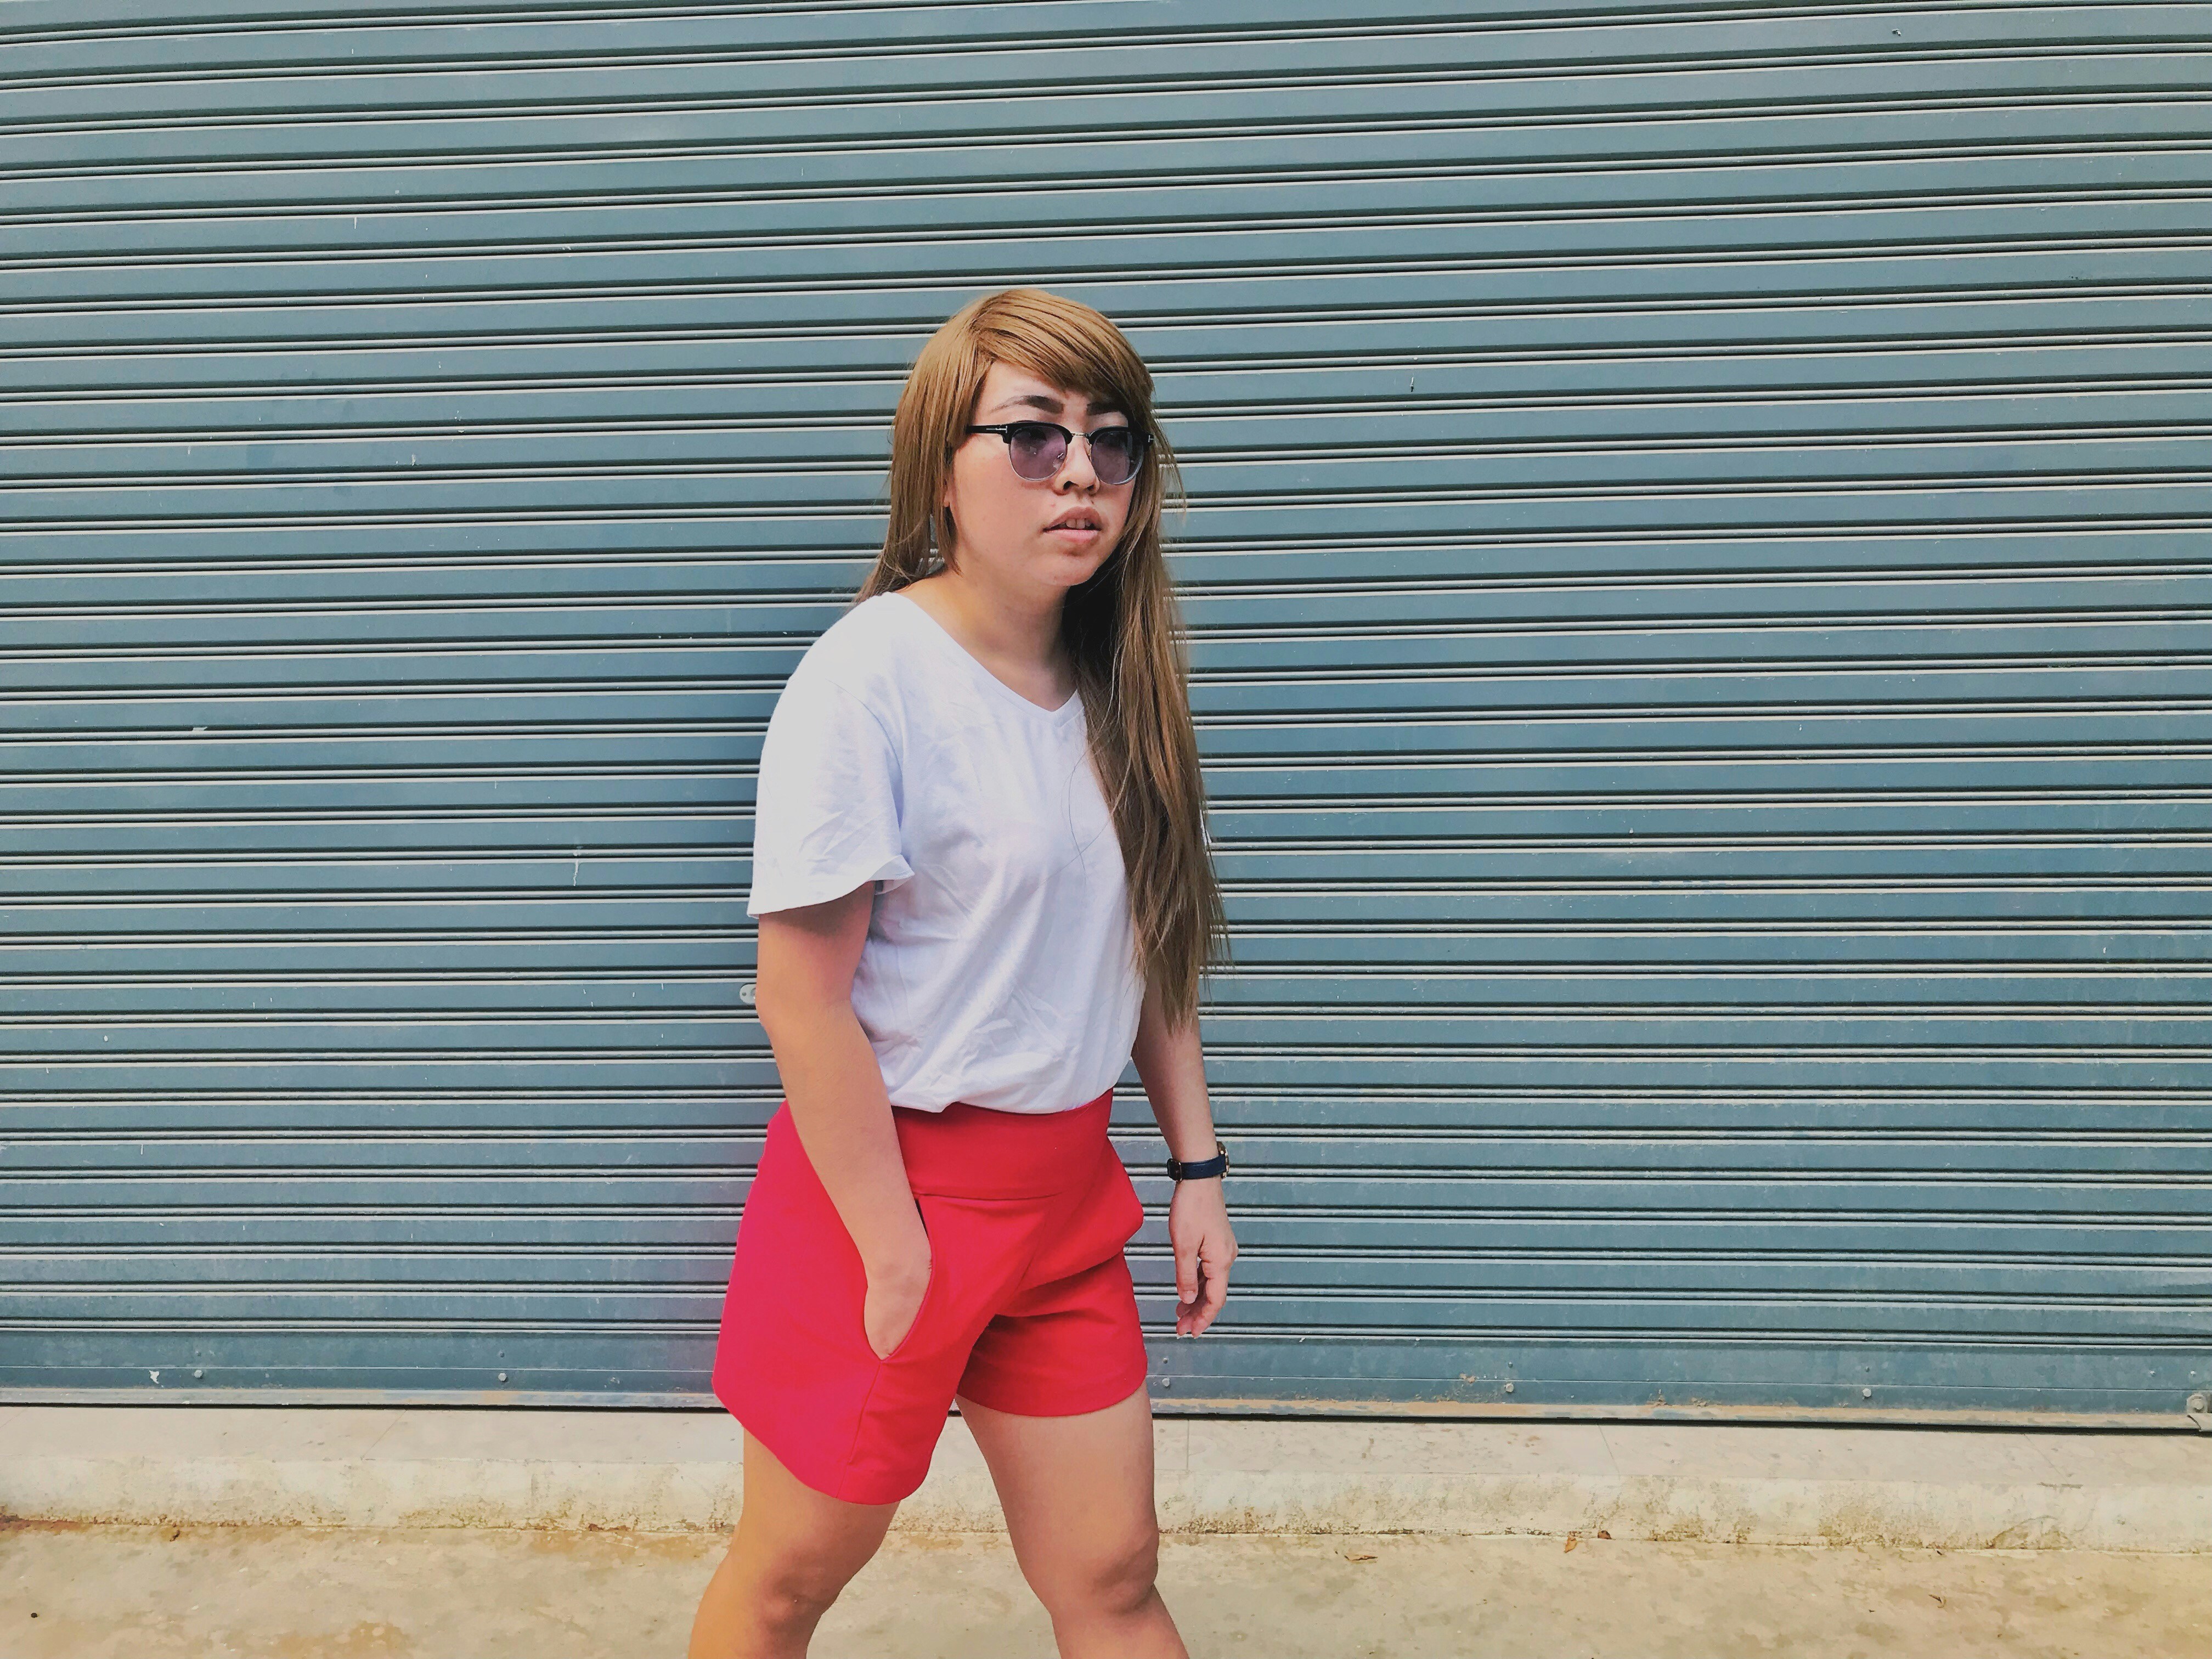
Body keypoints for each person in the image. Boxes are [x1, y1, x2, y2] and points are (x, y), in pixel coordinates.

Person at [689, 288, 1236, 1659]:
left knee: (1111, 1574)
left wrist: (1196, 1168)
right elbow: (797, 996)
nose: (1082, 477)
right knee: (790, 1578)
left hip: (1064, 1203)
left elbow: (1150, 948)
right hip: (890, 1198)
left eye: (1114, 444)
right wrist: (891, 1250)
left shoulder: (1120, 682)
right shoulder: (866, 681)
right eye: (1035, 437)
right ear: (943, 461)